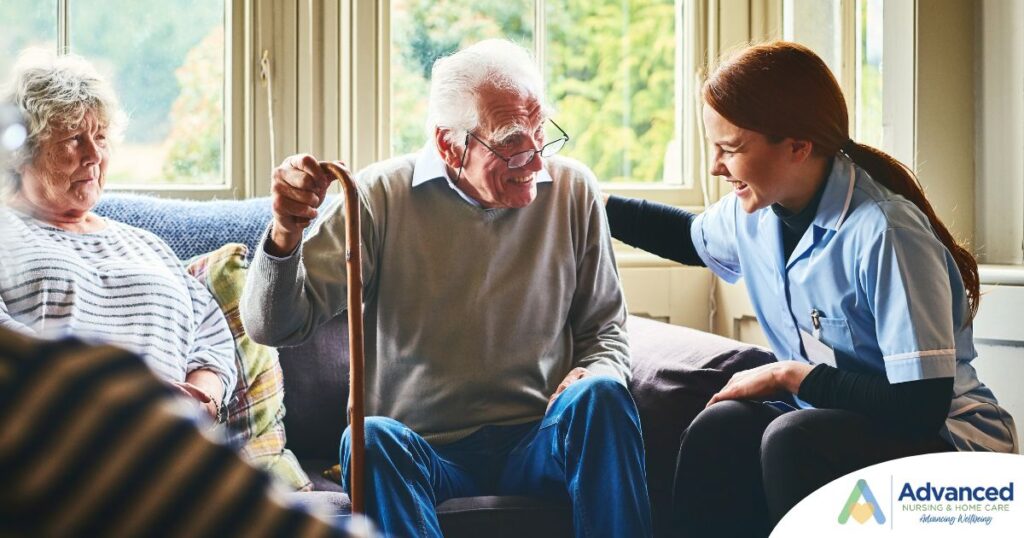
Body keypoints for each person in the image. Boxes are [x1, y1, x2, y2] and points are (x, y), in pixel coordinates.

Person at [241, 39, 652, 538]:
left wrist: (597, 369)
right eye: (511, 142)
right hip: (425, 450)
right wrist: (285, 233)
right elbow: (273, 326)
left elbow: (605, 329)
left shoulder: (574, 189)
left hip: (538, 439)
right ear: (448, 144)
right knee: (369, 439)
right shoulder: (378, 197)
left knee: (603, 394)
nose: (536, 158)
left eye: (542, 131)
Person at [604, 41, 1018, 536]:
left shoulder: (885, 233)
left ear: (798, 147)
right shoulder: (753, 214)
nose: (716, 166)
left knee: (793, 435)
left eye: (731, 149)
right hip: (845, 427)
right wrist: (586, 200)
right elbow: (686, 236)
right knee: (722, 427)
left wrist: (793, 377)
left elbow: (918, 407)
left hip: (951, 452)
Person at [0, 49, 236, 422]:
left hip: (170, 448)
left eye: (101, 137)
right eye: (74, 139)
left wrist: (203, 399)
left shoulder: (148, 245)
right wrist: (118, 399)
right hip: (58, 445)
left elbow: (212, 337)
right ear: (22, 152)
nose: (94, 155)